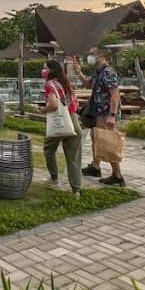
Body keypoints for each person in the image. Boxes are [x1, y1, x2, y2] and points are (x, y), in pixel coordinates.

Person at [70, 47, 125, 186]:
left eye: (92, 54)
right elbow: (88, 84)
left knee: (107, 142)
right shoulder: (98, 71)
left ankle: (117, 175)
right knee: (96, 138)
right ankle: (95, 167)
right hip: (98, 112)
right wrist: (78, 72)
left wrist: (112, 115)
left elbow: (115, 95)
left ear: (100, 55)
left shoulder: (108, 72)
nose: (90, 56)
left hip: (106, 113)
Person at [41, 60, 82, 197]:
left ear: (51, 70)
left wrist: (43, 110)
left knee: (49, 150)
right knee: (73, 158)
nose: (43, 70)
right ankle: (76, 190)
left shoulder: (50, 84)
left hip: (59, 122)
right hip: (74, 121)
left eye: (45, 68)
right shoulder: (66, 83)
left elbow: (54, 105)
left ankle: (54, 179)